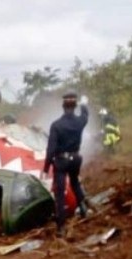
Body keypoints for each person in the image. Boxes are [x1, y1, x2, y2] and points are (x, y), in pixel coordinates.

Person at [42, 92, 89, 237]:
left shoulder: (56, 125)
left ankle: (61, 226)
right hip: (76, 159)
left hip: (61, 161)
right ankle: (83, 208)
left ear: (63, 106)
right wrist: (84, 104)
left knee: (59, 193)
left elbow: (51, 149)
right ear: (74, 106)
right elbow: (85, 115)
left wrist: (46, 168)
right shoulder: (80, 122)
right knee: (75, 182)